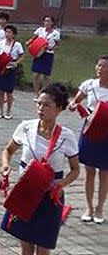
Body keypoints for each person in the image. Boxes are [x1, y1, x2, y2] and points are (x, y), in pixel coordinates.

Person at [0, 83, 80, 254]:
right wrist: (5, 166)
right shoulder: (26, 127)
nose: (40, 108)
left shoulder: (67, 136)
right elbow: (8, 151)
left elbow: (75, 170)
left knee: (43, 249)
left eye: (46, 105)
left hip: (50, 198)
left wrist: (61, 184)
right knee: (26, 247)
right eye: (39, 103)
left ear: (59, 109)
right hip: (26, 192)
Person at [67, 55, 108, 224]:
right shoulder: (89, 84)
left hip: (106, 131)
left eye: (104, 66)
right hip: (89, 129)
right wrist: (73, 105)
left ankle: (100, 208)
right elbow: (75, 101)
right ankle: (89, 207)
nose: (99, 69)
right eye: (98, 65)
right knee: (89, 170)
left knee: (104, 172)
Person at [0, 25, 24, 120]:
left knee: (9, 92)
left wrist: (16, 63)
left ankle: (8, 110)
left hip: (10, 69)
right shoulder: (1, 43)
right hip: (1, 68)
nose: (7, 34)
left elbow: (22, 56)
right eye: (6, 32)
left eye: (9, 32)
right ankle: (0, 110)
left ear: (13, 34)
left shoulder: (17, 45)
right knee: (1, 91)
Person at [29, 16, 60, 100]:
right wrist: (30, 42)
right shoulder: (40, 30)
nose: (46, 23)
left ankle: (43, 93)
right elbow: (34, 39)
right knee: (36, 75)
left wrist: (52, 48)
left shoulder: (55, 33)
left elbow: (57, 44)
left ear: (52, 23)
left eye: (48, 21)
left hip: (48, 54)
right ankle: (36, 94)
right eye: (45, 21)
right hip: (39, 53)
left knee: (46, 76)